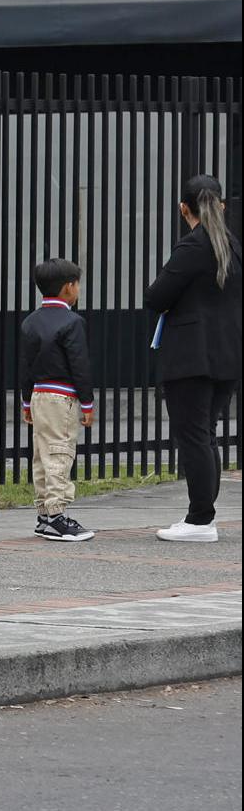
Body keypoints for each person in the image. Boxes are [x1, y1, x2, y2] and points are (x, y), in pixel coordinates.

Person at [144, 174, 242, 544]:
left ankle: (201, 520)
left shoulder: (192, 246)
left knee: (193, 435)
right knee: (206, 434)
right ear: (222, 205)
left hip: (192, 355)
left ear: (183, 208)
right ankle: (203, 516)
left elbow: (156, 297)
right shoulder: (232, 245)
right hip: (229, 353)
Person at [18, 259, 97, 543]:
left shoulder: (30, 322)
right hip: (62, 396)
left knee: (42, 454)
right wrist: (87, 403)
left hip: (39, 394)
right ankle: (56, 515)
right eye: (77, 285)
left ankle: (43, 514)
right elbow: (80, 364)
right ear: (69, 288)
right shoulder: (73, 322)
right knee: (60, 451)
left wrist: (27, 402)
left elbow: (25, 366)